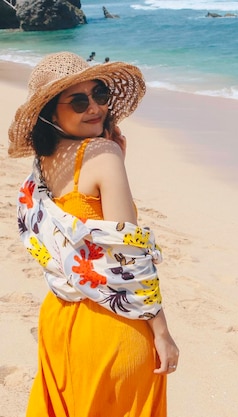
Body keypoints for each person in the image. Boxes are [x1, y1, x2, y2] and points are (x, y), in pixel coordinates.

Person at [8, 51, 179, 416]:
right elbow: (128, 257)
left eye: (99, 94)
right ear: (51, 113)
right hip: (111, 328)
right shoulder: (101, 154)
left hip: (58, 319)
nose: (94, 108)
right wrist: (161, 333)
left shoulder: (39, 167)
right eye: (79, 101)